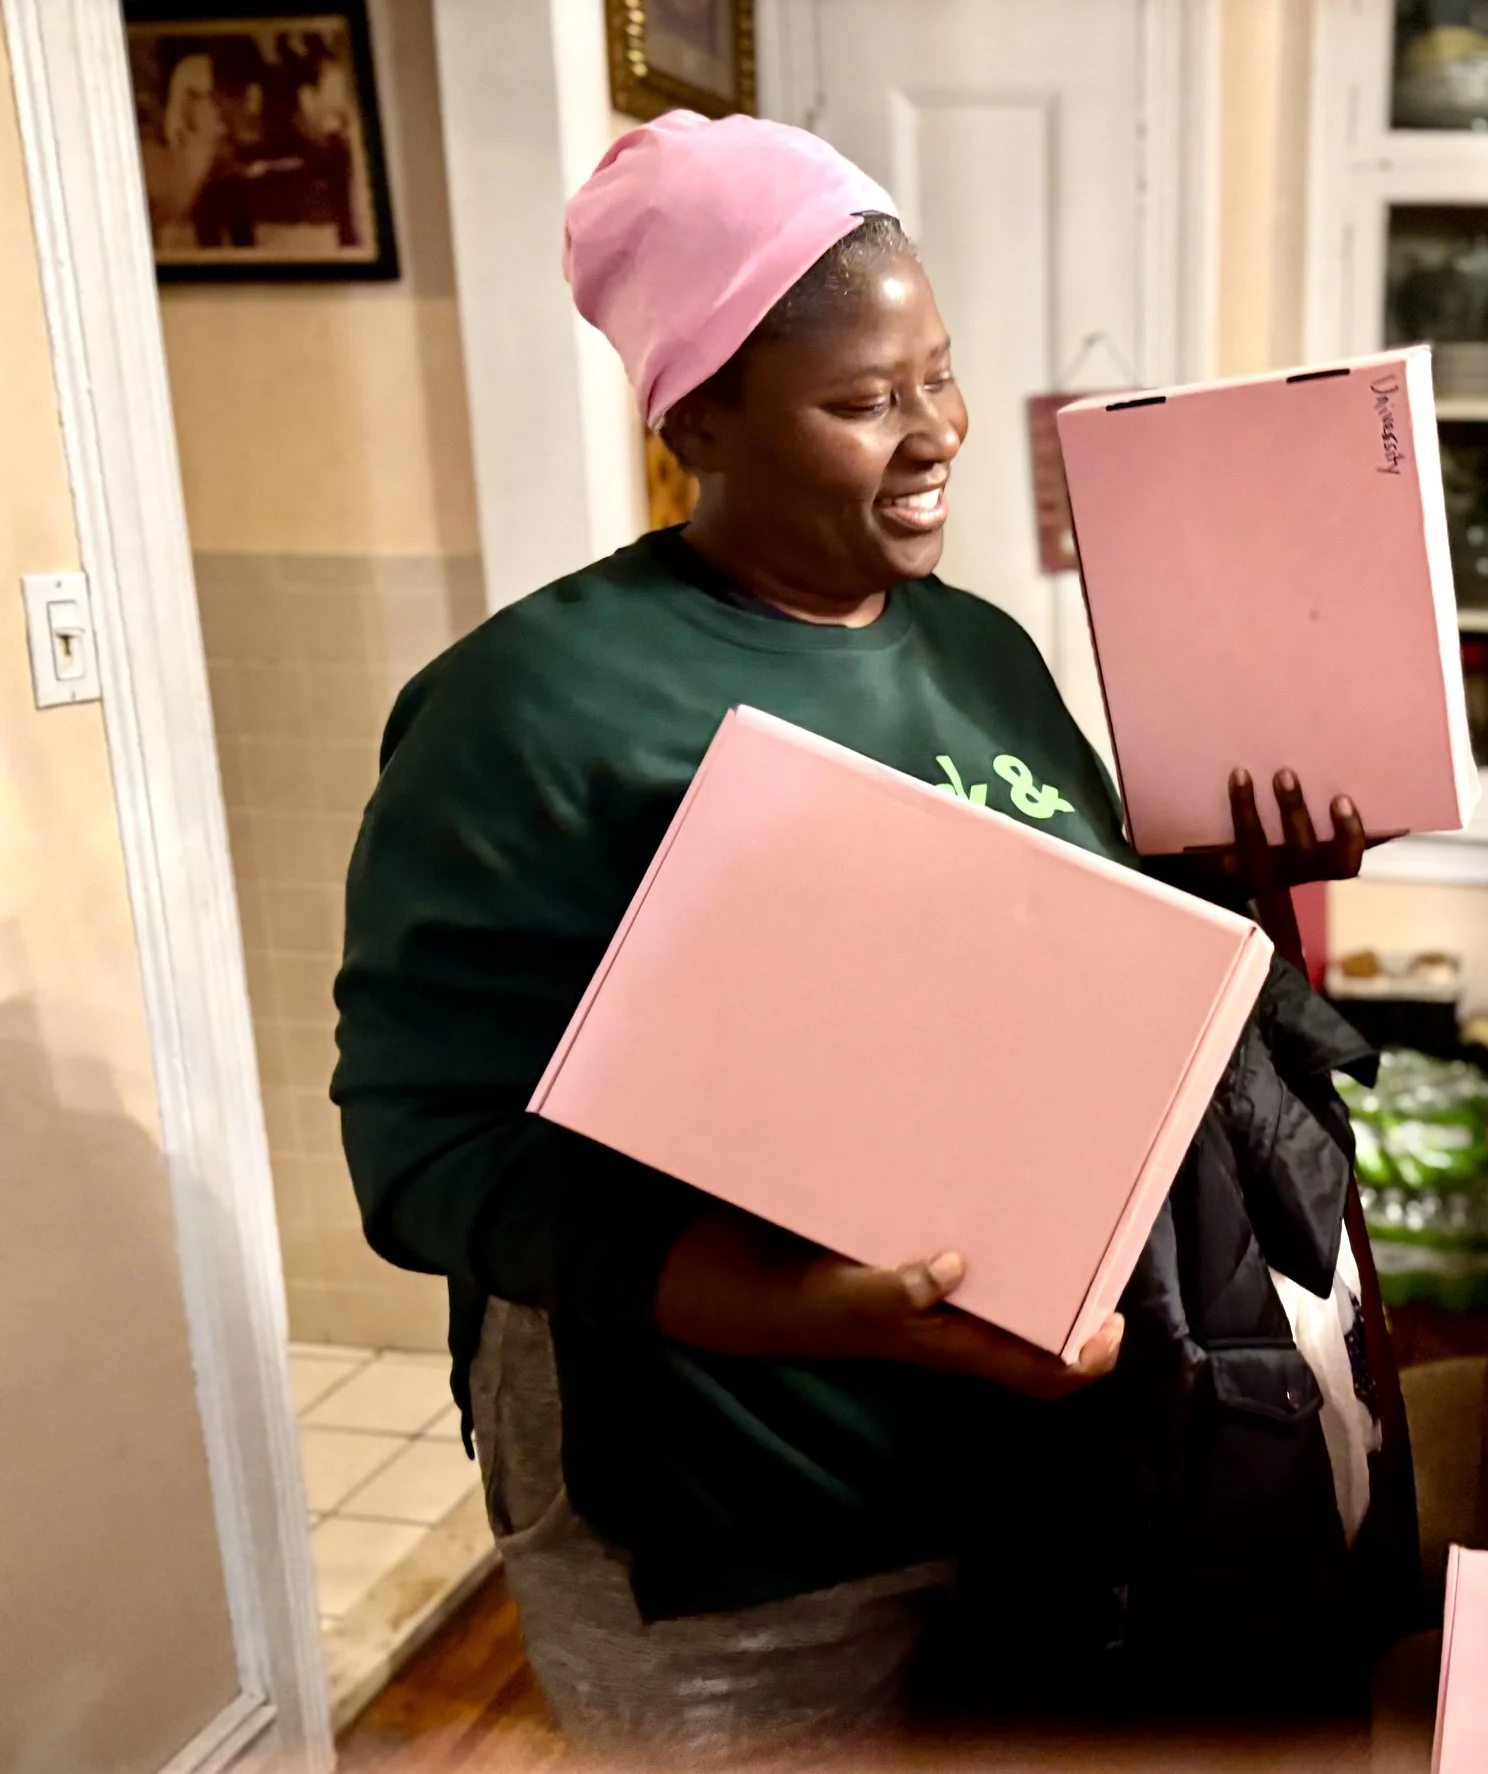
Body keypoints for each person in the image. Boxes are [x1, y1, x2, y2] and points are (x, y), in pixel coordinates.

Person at [332, 111, 1413, 1755]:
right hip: (733, 1513)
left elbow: (1065, 967)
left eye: (940, 375)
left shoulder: (980, 654)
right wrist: (801, 1307)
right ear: (697, 419)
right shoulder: (527, 713)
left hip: (1036, 1478)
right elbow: (424, 1155)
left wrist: (1232, 872)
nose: (937, 434)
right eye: (861, 401)